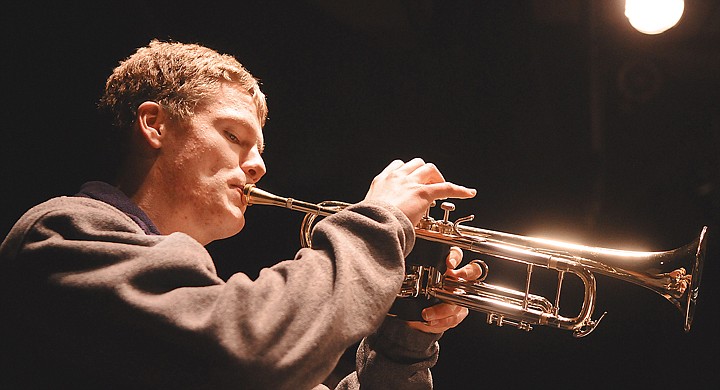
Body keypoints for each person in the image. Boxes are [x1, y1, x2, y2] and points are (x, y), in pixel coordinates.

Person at [0, 40, 479, 389]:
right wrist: (378, 222)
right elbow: (258, 351)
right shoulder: (62, 235)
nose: (259, 165)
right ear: (155, 124)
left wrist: (405, 340)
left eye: (259, 147)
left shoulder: (198, 295)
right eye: (234, 136)